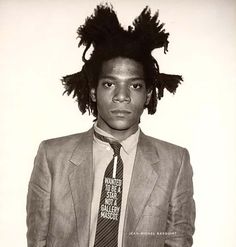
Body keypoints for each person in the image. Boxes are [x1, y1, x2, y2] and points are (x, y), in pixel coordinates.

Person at [26, 4, 195, 247]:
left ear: (148, 95)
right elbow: (38, 240)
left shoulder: (175, 162)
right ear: (93, 91)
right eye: (109, 84)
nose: (122, 96)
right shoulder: (52, 156)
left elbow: (178, 240)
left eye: (135, 85)